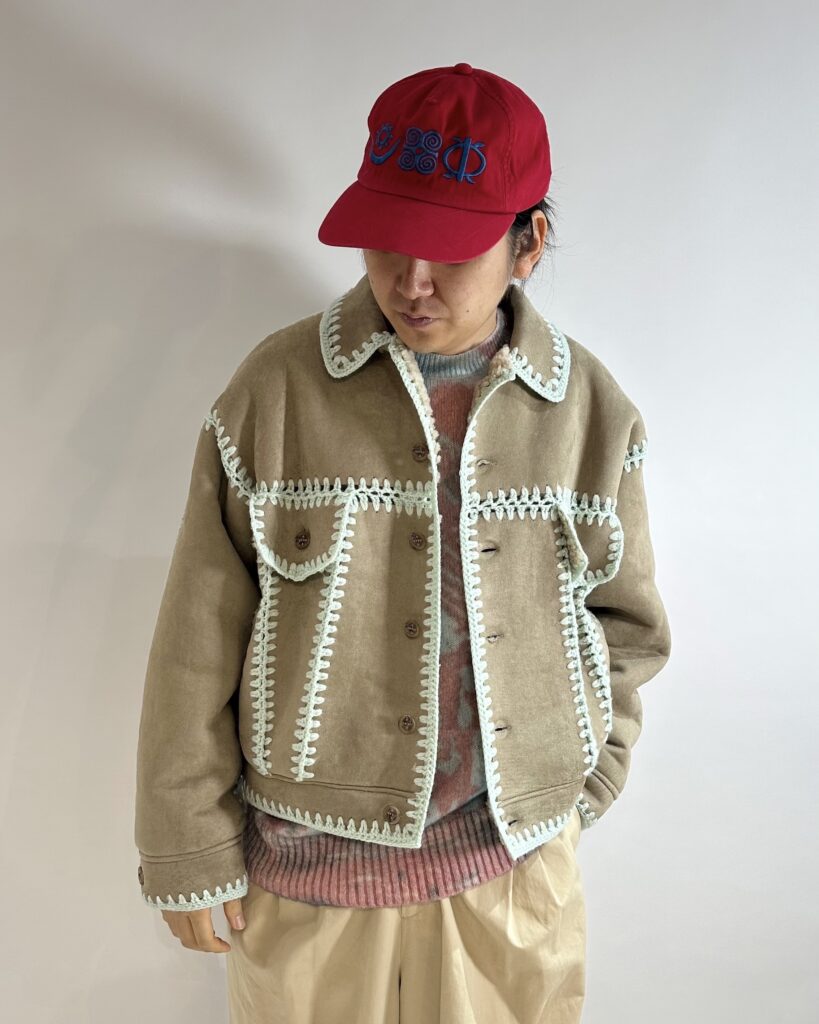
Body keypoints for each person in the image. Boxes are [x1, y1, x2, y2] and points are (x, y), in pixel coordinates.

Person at [133, 62, 672, 1023]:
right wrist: (186, 844)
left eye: (450, 249)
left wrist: (584, 781)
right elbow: (197, 636)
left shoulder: (589, 413)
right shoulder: (276, 391)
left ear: (528, 243)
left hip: (512, 876)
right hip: (307, 884)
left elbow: (626, 627)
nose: (410, 282)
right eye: (387, 239)